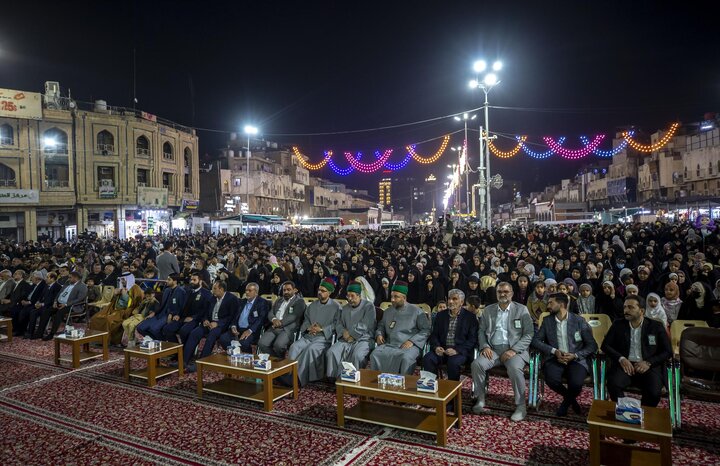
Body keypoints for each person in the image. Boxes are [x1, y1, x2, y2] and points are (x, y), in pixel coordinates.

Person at [471, 281, 534, 422]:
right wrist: (485, 346)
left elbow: (529, 334)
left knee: (514, 368)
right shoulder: (488, 310)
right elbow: (481, 331)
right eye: (500, 292)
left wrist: (513, 350)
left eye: (506, 292)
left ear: (511, 293)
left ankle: (520, 405)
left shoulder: (521, 309)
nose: (503, 294)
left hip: (515, 350)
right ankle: (480, 399)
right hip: (493, 349)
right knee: (477, 364)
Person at [531, 293, 597, 416]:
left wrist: (575, 355)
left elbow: (592, 345)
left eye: (551, 303)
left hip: (576, 359)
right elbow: (535, 341)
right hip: (555, 358)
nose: (548, 305)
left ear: (561, 304)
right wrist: (554, 351)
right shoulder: (547, 321)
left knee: (576, 384)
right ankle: (571, 400)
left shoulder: (579, 321)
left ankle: (566, 403)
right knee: (551, 379)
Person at [602, 295, 672, 407]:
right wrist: (621, 359)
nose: (626, 310)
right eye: (625, 307)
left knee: (654, 392)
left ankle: (643, 412)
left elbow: (667, 351)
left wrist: (648, 363)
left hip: (648, 366)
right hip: (626, 365)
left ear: (642, 311)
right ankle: (625, 409)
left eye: (631, 307)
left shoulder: (655, 326)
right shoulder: (618, 324)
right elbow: (605, 346)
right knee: (613, 384)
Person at [287, 278, 341, 386]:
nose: (320, 292)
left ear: (329, 292)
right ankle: (288, 374)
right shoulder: (312, 305)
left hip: (323, 338)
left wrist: (322, 329)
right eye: (319, 290)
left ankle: (297, 379)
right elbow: (306, 320)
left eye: (323, 291)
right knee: (294, 347)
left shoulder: (336, 307)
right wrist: (309, 327)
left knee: (310, 350)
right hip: (309, 335)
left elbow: (337, 325)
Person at [370, 281, 431, 375]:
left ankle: (403, 385)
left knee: (405, 358)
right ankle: (379, 384)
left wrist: (412, 341)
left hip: (409, 346)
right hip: (390, 344)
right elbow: (381, 326)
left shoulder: (417, 311)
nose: (393, 300)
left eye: (396, 297)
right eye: (392, 296)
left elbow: (426, 330)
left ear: (404, 297)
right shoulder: (388, 311)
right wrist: (379, 334)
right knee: (375, 354)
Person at [422, 289, 478, 381]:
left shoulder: (470, 318)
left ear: (461, 302)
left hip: (459, 351)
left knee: (453, 362)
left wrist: (456, 350)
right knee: (427, 359)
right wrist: (436, 347)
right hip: (442, 349)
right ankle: (432, 386)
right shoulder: (440, 315)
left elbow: (472, 340)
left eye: (455, 299)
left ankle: (452, 392)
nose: (451, 301)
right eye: (449, 298)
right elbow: (434, 335)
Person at [326, 280, 377, 379]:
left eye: (352, 296)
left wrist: (351, 334)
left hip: (363, 339)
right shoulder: (345, 308)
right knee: (331, 352)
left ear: (359, 296)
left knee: (357, 356)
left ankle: (354, 381)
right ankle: (334, 379)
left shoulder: (369, 307)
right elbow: (339, 323)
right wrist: (343, 332)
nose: (349, 299)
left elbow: (366, 325)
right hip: (345, 339)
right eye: (348, 296)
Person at [185, 281, 239, 373]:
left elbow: (232, 317)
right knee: (194, 333)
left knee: (211, 336)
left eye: (214, 288)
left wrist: (218, 323)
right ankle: (184, 360)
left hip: (222, 326)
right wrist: (205, 320)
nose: (212, 290)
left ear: (221, 289)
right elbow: (205, 312)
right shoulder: (212, 298)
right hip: (209, 323)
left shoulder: (232, 299)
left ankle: (200, 363)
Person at [258, 281, 307, 357]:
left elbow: (293, 316)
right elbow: (271, 313)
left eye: (288, 289)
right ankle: (275, 358)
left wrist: (279, 323)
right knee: (262, 343)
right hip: (274, 326)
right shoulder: (279, 300)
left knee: (278, 346)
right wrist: (274, 319)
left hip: (287, 328)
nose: (286, 292)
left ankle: (281, 360)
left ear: (294, 290)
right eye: (284, 290)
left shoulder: (299, 301)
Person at [219, 282, 270, 353]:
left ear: (256, 292)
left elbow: (261, 319)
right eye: (246, 290)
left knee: (244, 343)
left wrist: (250, 330)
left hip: (252, 330)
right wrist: (233, 326)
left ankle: (248, 358)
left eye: (249, 290)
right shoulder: (241, 302)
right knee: (223, 338)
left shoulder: (262, 303)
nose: (246, 292)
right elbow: (234, 316)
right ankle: (233, 354)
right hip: (238, 330)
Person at [162, 272, 213, 344]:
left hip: (196, 319)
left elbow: (205, 310)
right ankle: (176, 349)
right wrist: (178, 314)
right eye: (191, 280)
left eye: (194, 280)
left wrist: (194, 318)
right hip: (183, 317)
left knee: (183, 331)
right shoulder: (188, 291)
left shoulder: (206, 294)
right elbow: (183, 306)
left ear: (200, 281)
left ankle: (184, 351)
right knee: (167, 329)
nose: (191, 282)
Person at [38, 271, 88, 340]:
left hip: (72, 305)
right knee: (47, 311)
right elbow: (59, 293)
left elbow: (79, 299)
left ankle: (51, 334)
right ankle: (40, 333)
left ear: (76, 278)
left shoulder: (83, 286)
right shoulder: (68, 283)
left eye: (70, 277)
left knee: (59, 313)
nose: (69, 279)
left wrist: (66, 304)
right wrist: (55, 301)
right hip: (59, 303)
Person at [136, 273, 187, 340]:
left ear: (175, 281)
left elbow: (182, 307)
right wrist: (154, 312)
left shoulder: (181, 291)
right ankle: (156, 340)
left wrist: (173, 314)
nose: (166, 281)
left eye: (169, 280)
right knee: (140, 327)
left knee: (154, 329)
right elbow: (161, 305)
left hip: (169, 315)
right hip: (160, 313)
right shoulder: (166, 290)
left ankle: (163, 343)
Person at [28, 272, 62, 339]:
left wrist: (42, 304)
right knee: (33, 312)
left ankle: (39, 333)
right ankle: (30, 332)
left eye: (47, 277)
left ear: (52, 278)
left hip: (52, 306)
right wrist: (38, 302)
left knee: (44, 312)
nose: (45, 279)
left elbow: (54, 299)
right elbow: (41, 296)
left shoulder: (57, 286)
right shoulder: (46, 285)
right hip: (43, 305)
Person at [14, 271, 47, 337]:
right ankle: (20, 330)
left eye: (32, 277)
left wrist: (28, 302)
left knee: (26, 312)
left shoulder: (43, 285)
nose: (31, 279)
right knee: (18, 310)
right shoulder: (34, 284)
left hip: (35, 304)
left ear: (37, 278)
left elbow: (39, 297)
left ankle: (28, 332)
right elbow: (27, 294)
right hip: (28, 302)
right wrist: (23, 300)